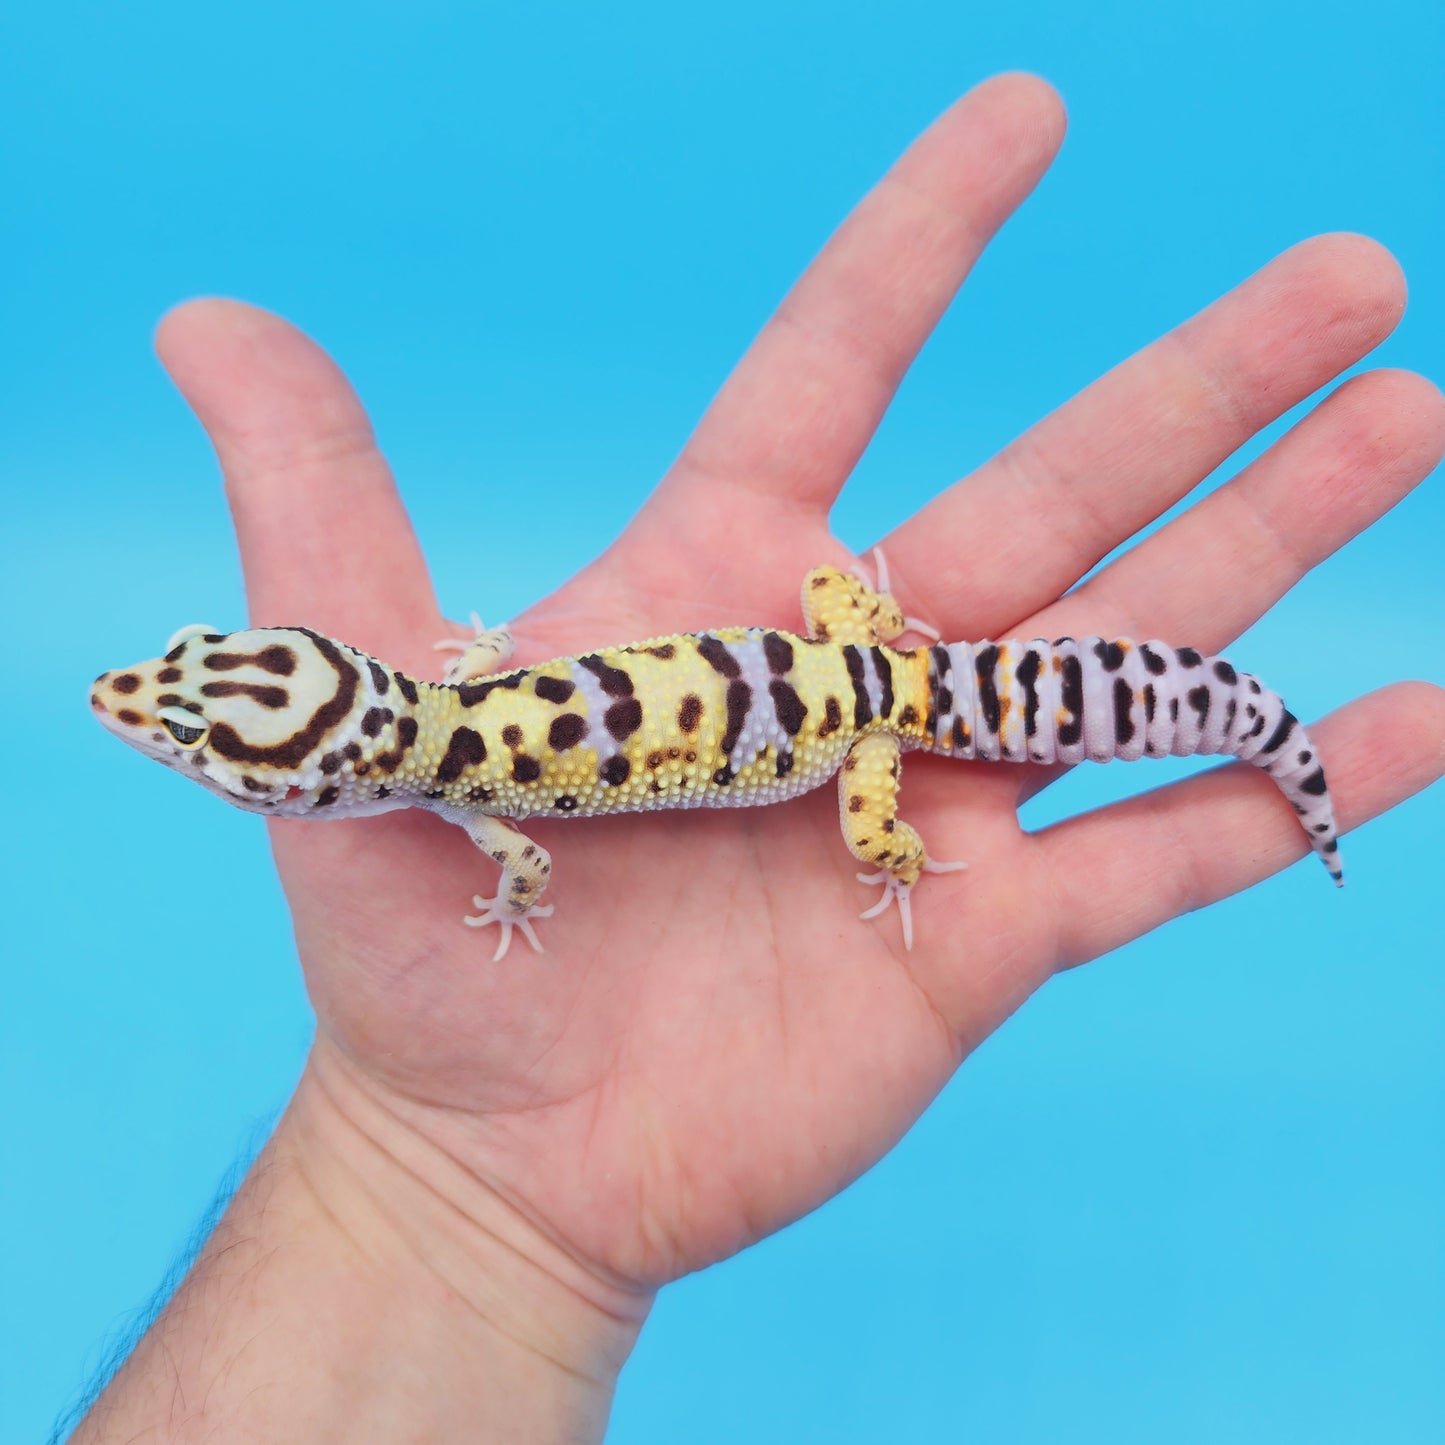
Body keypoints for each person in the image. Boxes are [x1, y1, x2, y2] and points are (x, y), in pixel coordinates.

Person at [72, 73, 1444, 1442]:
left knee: (880, 824)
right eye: (197, 718)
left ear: (318, 774)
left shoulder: (477, 799)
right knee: (1030, 709)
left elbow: (530, 861)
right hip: (840, 649)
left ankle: (1216, 752)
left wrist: (547, 901)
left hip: (857, 720)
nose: (157, 714)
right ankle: (1249, 740)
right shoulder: (467, 718)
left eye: (193, 724)